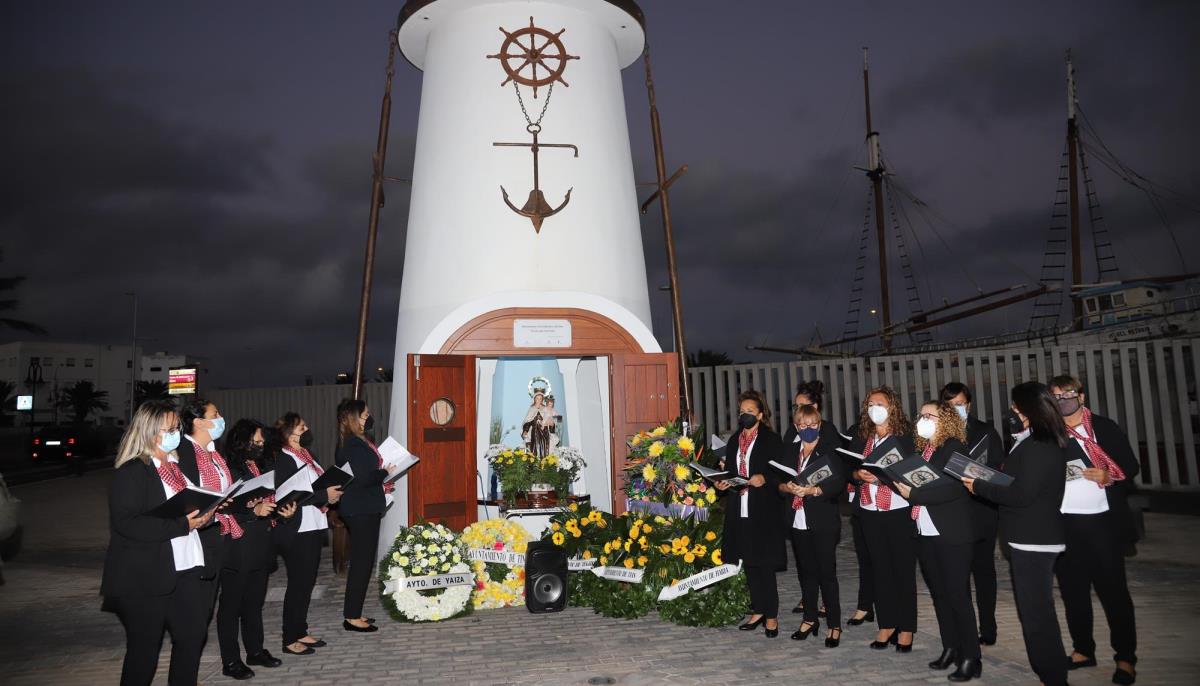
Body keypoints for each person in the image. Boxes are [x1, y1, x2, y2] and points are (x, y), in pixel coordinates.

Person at [101, 399, 215, 686]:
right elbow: (126, 523)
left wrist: (207, 514)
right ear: (150, 431)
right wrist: (181, 524)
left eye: (177, 427)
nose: (176, 433)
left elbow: (188, 507)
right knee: (145, 651)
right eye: (170, 428)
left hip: (186, 566)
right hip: (145, 574)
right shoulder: (132, 471)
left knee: (192, 636)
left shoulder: (175, 467)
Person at [964, 382, 1069, 686]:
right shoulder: (1034, 441)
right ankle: (1050, 673)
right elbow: (1019, 482)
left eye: (1016, 407)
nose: (1012, 412)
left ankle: (1052, 676)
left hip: (1034, 538)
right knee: (1036, 612)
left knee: (1037, 617)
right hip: (1031, 536)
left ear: (1029, 410)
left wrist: (980, 486)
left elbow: (1022, 494)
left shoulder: (1039, 445)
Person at [1049, 375, 1140, 685]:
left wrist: (1108, 474)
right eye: (1056, 396)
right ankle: (1082, 649)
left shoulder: (1103, 427)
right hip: (1065, 525)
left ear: (1082, 396)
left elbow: (1130, 465)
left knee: (1113, 592)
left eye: (1068, 394)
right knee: (1073, 592)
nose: (1063, 400)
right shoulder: (1048, 433)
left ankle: (1126, 657)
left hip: (1103, 523)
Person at [893, 401, 980, 681]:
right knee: (940, 595)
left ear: (946, 420)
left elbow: (956, 488)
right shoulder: (924, 450)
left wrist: (914, 495)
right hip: (926, 531)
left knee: (958, 596)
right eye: (921, 415)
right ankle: (950, 647)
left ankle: (971, 657)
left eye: (930, 415)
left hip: (952, 532)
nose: (923, 419)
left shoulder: (954, 447)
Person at [216, 419, 296, 679]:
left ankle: (255, 650)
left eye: (262, 442)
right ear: (242, 441)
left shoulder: (258, 465)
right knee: (231, 607)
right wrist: (252, 510)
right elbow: (223, 506)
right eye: (256, 442)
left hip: (260, 543)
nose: (260, 446)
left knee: (253, 603)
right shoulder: (228, 467)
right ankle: (230, 661)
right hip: (237, 545)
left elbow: (265, 503)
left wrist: (282, 513)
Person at [848, 386, 917, 652]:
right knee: (880, 570)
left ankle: (907, 628)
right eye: (870, 403)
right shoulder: (862, 437)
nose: (874, 407)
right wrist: (857, 475)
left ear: (892, 407)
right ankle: (887, 624)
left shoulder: (906, 438)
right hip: (869, 509)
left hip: (898, 511)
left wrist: (883, 477)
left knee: (902, 570)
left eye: (880, 403)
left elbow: (913, 471)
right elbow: (849, 469)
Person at [715, 390, 785, 638]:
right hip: (739, 506)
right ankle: (758, 610)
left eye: (750, 411)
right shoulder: (734, 440)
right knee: (748, 562)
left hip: (763, 508)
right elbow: (731, 471)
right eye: (742, 411)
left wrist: (764, 477)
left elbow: (782, 472)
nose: (745, 415)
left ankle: (772, 616)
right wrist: (722, 482)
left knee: (764, 563)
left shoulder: (771, 440)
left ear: (760, 414)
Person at [940, 381, 1005, 646]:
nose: (956, 409)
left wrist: (977, 475)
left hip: (981, 510)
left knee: (984, 571)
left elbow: (999, 468)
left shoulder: (985, 431)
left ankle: (988, 627)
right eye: (950, 405)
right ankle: (963, 627)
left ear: (969, 404)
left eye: (960, 404)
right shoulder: (939, 434)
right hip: (952, 512)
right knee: (958, 574)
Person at [273, 412, 342, 655]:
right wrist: (325, 496)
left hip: (313, 525)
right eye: (302, 426)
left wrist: (331, 489)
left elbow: (314, 485)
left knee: (306, 583)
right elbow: (290, 495)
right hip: (297, 529)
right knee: (298, 584)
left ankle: (300, 630)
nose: (307, 428)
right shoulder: (284, 458)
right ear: (290, 431)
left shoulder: (306, 454)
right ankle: (289, 638)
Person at [778, 403, 846, 647]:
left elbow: (839, 482)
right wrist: (787, 487)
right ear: (796, 427)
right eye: (803, 425)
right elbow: (779, 481)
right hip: (797, 518)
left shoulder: (830, 450)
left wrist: (815, 490)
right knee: (806, 571)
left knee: (826, 573)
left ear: (820, 425)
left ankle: (835, 624)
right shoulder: (790, 450)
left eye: (813, 425)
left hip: (823, 520)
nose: (808, 429)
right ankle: (809, 619)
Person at [333, 398, 397, 633]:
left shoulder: (361, 441)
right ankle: (351, 617)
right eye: (365, 414)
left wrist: (381, 473)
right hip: (359, 509)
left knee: (364, 561)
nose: (368, 417)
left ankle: (355, 612)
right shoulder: (351, 444)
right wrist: (385, 472)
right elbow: (364, 477)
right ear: (354, 417)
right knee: (361, 563)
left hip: (366, 507)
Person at [175, 399, 232, 615]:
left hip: (217, 528)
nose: (220, 419)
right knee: (198, 603)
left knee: (209, 600)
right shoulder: (185, 450)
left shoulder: (213, 451)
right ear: (199, 422)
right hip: (199, 531)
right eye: (215, 415)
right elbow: (188, 493)